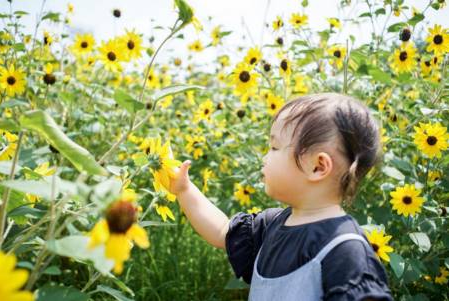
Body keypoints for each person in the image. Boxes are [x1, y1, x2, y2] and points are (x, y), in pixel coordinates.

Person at [168, 93, 394, 301]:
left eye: (274, 147)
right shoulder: (272, 224)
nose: (265, 158)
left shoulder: (347, 252)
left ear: (317, 166)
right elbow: (221, 231)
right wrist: (184, 190)